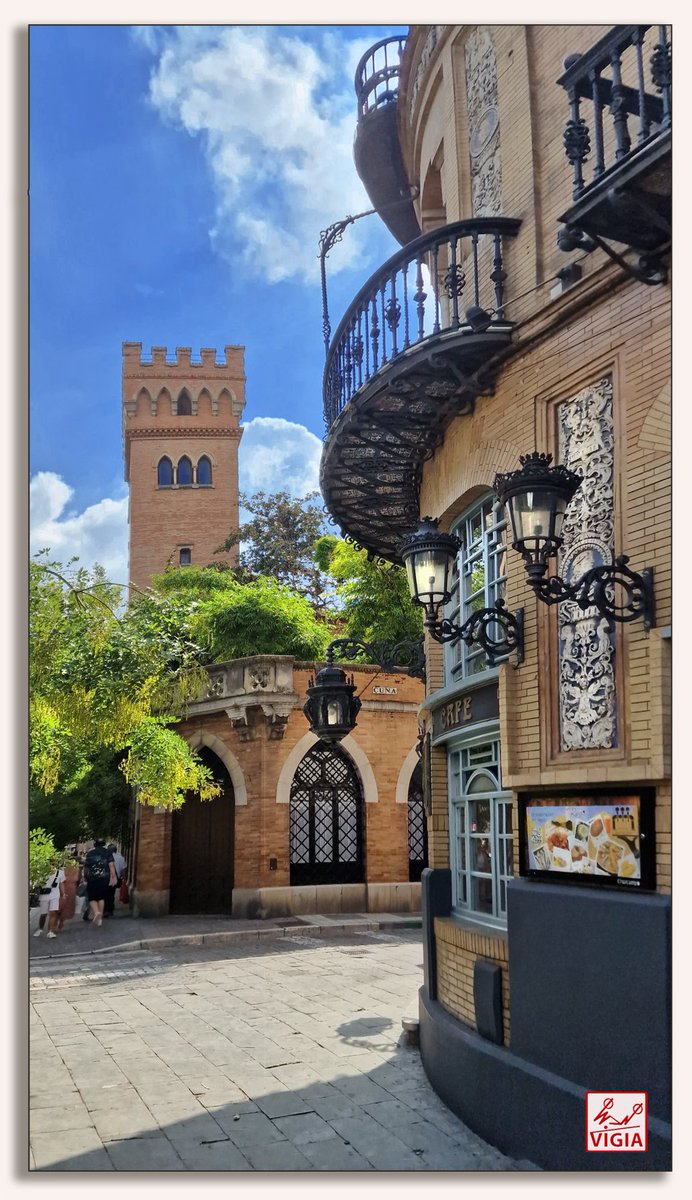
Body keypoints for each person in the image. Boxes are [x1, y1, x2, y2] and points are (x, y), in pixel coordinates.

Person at [83, 840, 117, 927]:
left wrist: (85, 878)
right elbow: (111, 866)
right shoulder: (108, 853)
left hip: (92, 878)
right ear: (104, 844)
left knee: (92, 898)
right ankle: (100, 919)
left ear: (95, 845)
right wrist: (113, 878)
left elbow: (86, 868)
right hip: (104, 878)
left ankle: (96, 912)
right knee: (101, 898)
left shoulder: (90, 854)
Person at [33, 864, 65, 938]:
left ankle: (50, 932)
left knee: (53, 912)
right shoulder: (42, 871)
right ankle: (40, 929)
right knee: (43, 914)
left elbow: (61, 883)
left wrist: (63, 893)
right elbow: (37, 883)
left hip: (55, 895)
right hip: (44, 895)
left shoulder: (60, 872)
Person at [56, 859, 80, 932]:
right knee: (66, 906)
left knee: (60, 906)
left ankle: (57, 922)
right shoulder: (76, 870)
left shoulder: (61, 870)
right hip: (71, 889)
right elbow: (76, 879)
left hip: (62, 888)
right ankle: (61, 923)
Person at [104, 844, 127, 917]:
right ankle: (110, 909)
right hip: (115, 879)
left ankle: (105, 909)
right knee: (111, 894)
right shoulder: (121, 858)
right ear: (116, 850)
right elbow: (123, 870)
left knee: (105, 894)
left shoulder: (105, 856)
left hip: (105, 878)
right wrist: (124, 879)